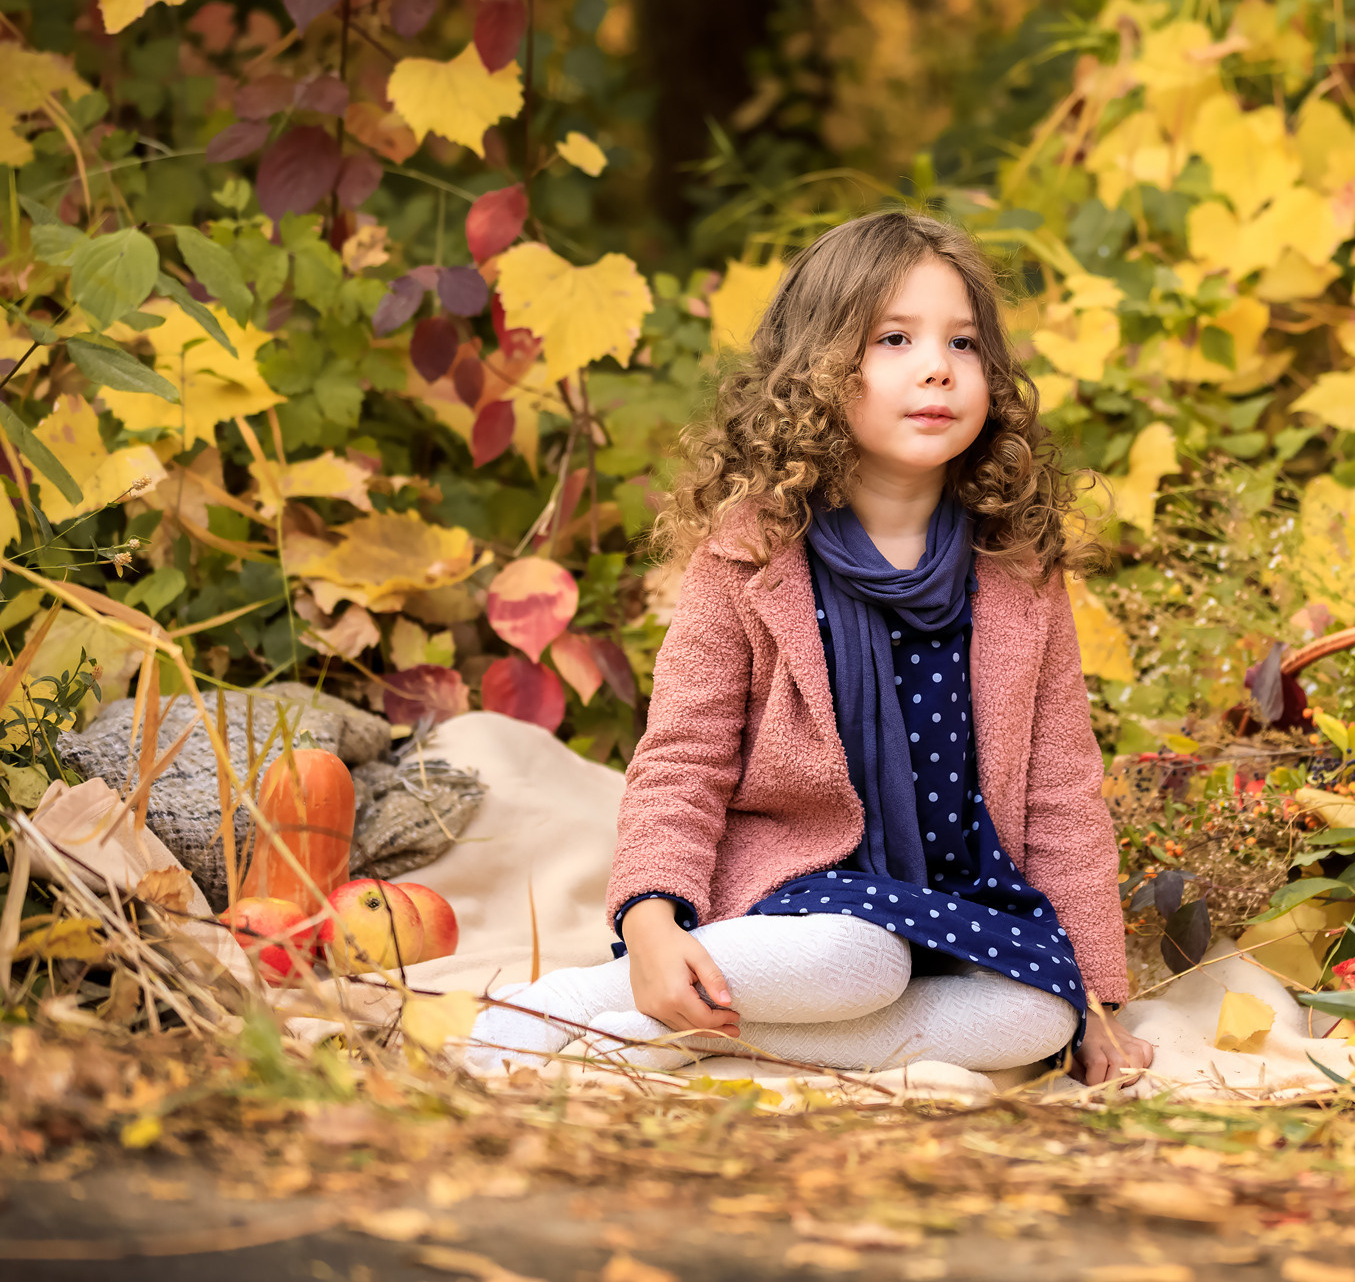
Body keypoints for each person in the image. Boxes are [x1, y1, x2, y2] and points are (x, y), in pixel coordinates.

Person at [466, 210, 1154, 1086]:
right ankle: (577, 1001)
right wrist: (648, 921)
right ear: (819, 369)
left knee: (1035, 1017)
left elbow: (1062, 790)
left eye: (965, 343)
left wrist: (1096, 997)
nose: (939, 365)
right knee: (858, 962)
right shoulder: (749, 557)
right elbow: (683, 758)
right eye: (895, 338)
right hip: (800, 894)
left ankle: (664, 1036)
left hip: (959, 895)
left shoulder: (1018, 572)